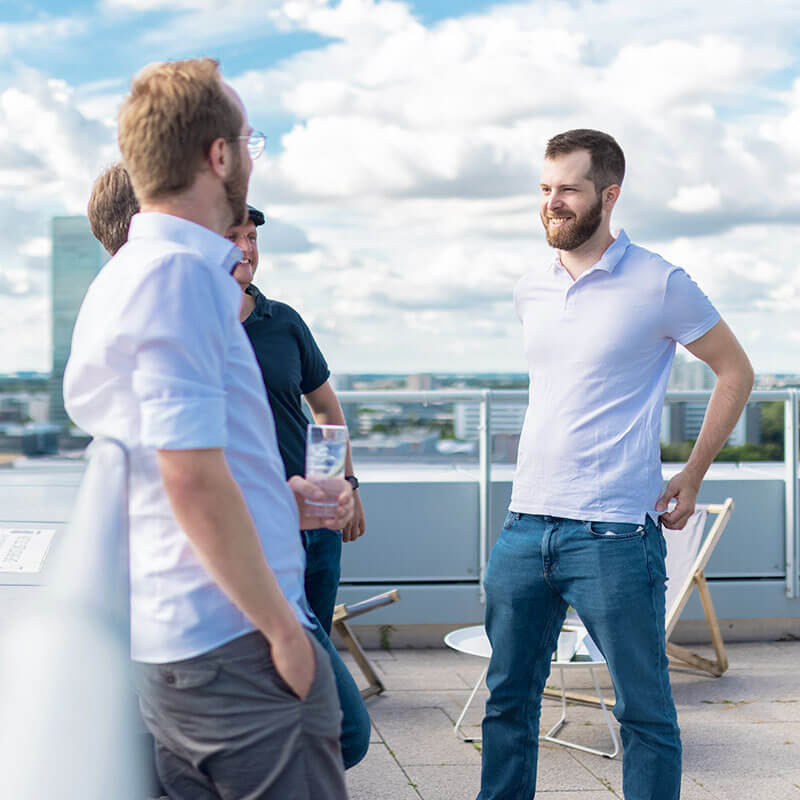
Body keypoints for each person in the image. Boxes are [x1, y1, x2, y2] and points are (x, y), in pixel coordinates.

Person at [65, 58, 352, 799]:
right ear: (218, 156)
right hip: (236, 645)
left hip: (198, 643)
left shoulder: (138, 274)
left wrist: (277, 497)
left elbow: (175, 462)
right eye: (249, 140)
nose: (252, 157)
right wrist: (285, 635)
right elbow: (186, 476)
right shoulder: (178, 277)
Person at [478, 129, 754, 800]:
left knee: (644, 713)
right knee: (506, 705)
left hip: (614, 535)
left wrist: (692, 473)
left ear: (609, 194)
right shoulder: (530, 287)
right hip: (523, 526)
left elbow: (735, 371)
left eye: (568, 189)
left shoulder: (660, 282)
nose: (553, 203)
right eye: (545, 190)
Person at [227, 205, 366, 634]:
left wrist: (344, 484)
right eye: (234, 237)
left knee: (315, 639)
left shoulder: (283, 321)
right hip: (240, 519)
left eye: (252, 238)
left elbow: (324, 408)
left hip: (312, 518)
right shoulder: (191, 325)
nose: (246, 249)